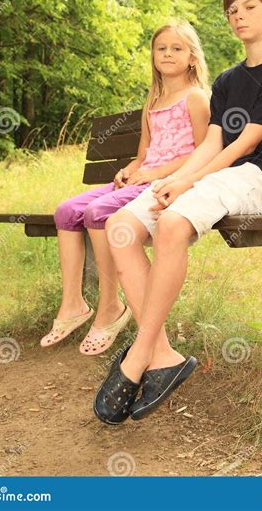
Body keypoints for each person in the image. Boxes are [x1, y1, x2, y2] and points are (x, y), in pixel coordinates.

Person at [93, 0, 262, 424]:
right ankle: (164, 354)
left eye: (249, 8)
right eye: (232, 10)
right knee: (121, 227)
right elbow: (211, 144)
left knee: (172, 223)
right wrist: (180, 178)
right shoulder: (228, 80)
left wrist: (188, 184)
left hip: (260, 178)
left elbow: (245, 144)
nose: (238, 16)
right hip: (220, 177)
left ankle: (138, 357)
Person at [40, 21, 211, 355]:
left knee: (98, 212)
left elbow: (204, 153)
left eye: (177, 48)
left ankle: (110, 307)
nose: (167, 54)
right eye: (161, 48)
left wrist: (154, 173)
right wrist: (130, 169)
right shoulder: (155, 99)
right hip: (144, 176)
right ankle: (73, 304)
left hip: (168, 182)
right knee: (66, 211)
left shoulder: (196, 98)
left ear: (192, 57)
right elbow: (143, 153)